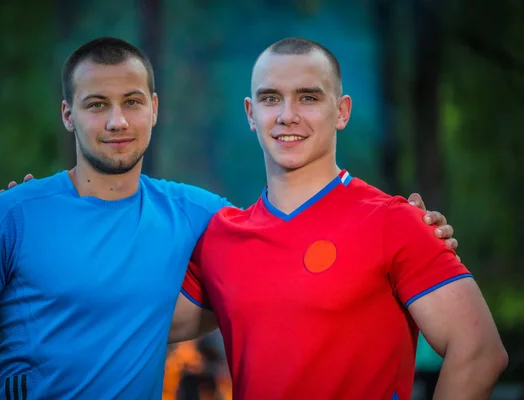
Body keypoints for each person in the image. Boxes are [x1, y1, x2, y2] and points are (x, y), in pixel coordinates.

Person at [0, 37, 456, 400]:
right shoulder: (8, 217)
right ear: (68, 114)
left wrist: (412, 225)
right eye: (95, 104)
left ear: (154, 108)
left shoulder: (203, 215)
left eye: (132, 101)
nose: (116, 121)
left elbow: (287, 237)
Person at [176, 38, 508, 400]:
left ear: (342, 111)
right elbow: (136, 324)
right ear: (250, 113)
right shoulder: (221, 237)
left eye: (308, 97)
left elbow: (479, 353)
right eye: (271, 98)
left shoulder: (394, 222)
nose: (288, 114)